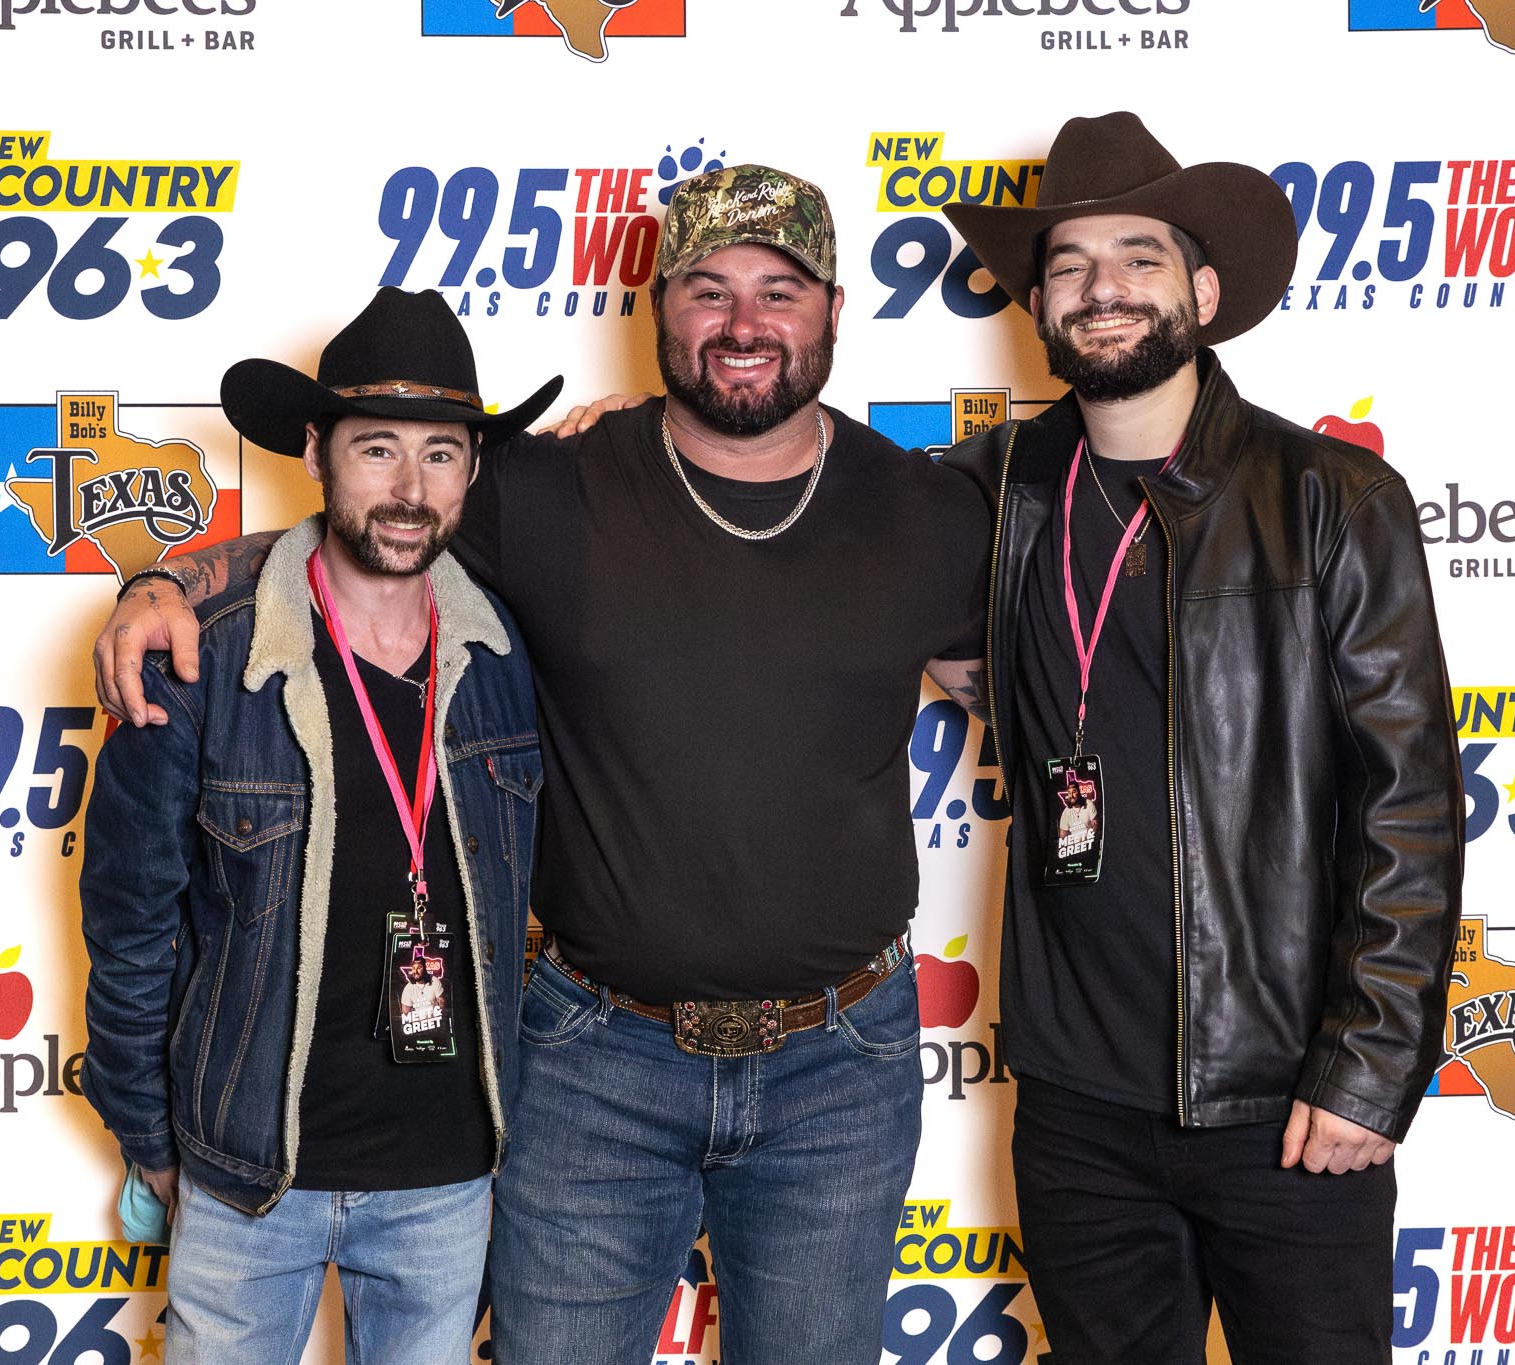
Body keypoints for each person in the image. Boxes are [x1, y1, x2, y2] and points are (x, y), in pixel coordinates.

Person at [88, 165, 991, 1364]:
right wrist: (161, 583)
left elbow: (1051, 678)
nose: (742, 324)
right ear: (659, 307)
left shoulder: (928, 513)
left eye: (779, 292)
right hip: (593, 1063)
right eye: (708, 290)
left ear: (832, 309)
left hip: (842, 1065)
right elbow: (366, 529)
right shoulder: (547, 483)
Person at [938, 112, 1466, 1363]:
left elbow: (1406, 804)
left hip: (1283, 1097)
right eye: (1069, 265)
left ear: (1203, 294)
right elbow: (798, 501)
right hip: (1073, 1112)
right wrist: (635, 431)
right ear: (1037, 304)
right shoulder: (990, 490)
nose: (1102, 288)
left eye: (1139, 257)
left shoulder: (1327, 497)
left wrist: (1368, 1069)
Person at [79, 288, 554, 1363]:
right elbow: (129, 921)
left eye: (440, 453)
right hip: (248, 1177)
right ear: (314, 452)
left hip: (446, 1181)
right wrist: (152, 1139)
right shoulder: (200, 653)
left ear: (474, 469)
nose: (409, 488)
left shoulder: (508, 655)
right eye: (377, 448)